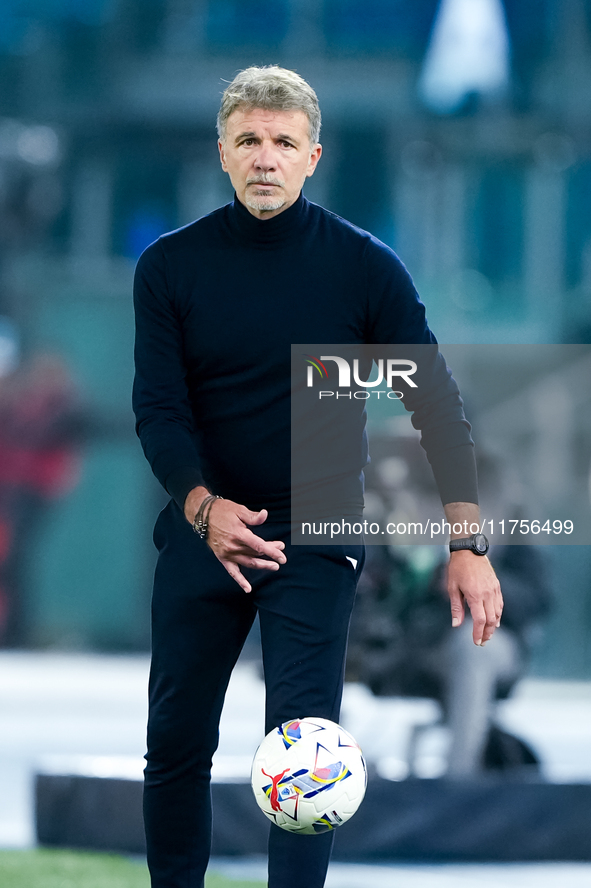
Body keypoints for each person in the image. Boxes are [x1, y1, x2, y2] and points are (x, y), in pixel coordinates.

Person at [132, 66, 503, 888]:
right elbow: (158, 410)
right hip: (205, 532)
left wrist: (467, 542)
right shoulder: (168, 267)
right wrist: (202, 510)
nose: (266, 158)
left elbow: (436, 407)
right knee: (176, 745)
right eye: (250, 141)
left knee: (308, 752)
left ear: (313, 157)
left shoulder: (365, 269)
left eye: (284, 143)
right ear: (223, 154)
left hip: (317, 534)